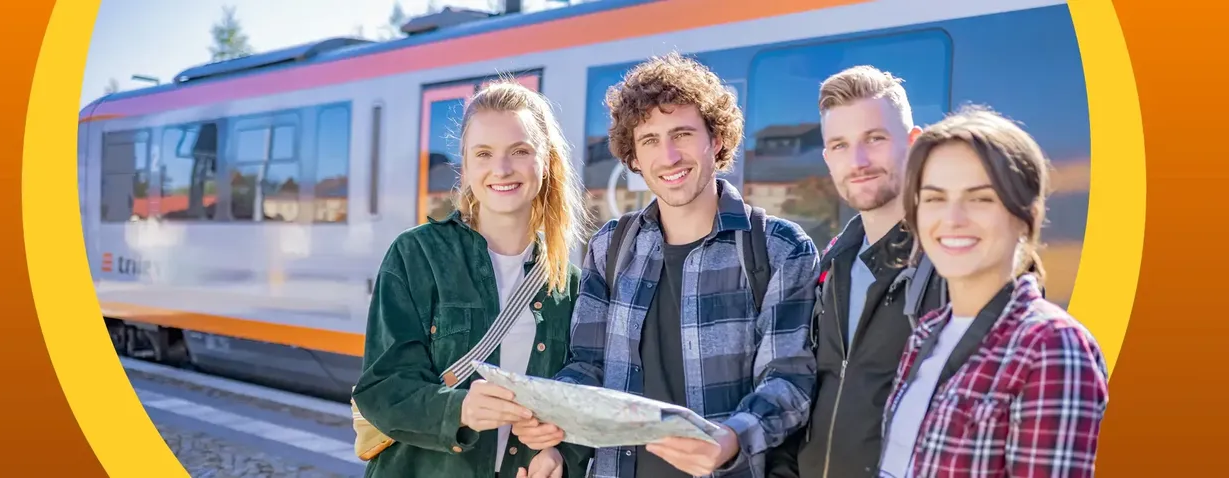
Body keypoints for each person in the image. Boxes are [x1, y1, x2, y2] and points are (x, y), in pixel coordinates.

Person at [539, 53, 820, 478]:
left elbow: (789, 382)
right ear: (633, 156)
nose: (668, 156)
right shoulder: (610, 247)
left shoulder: (779, 248)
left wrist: (730, 440)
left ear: (717, 140)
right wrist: (552, 419)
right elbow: (587, 366)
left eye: (683, 133)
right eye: (649, 140)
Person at [356, 81, 593, 478]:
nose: (501, 169)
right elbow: (380, 389)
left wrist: (560, 455)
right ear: (465, 167)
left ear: (546, 162)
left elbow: (582, 400)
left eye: (520, 151)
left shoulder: (569, 284)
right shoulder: (417, 255)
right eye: (484, 154)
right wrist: (460, 409)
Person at [875, 107, 1107, 478]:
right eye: (934, 198)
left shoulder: (1051, 347)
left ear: (1025, 215)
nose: (952, 218)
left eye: (980, 198)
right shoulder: (926, 333)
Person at [771, 66, 949, 478]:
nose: (859, 160)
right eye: (841, 145)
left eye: (875, 138)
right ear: (827, 158)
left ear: (913, 144)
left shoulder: (947, 268)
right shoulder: (830, 268)